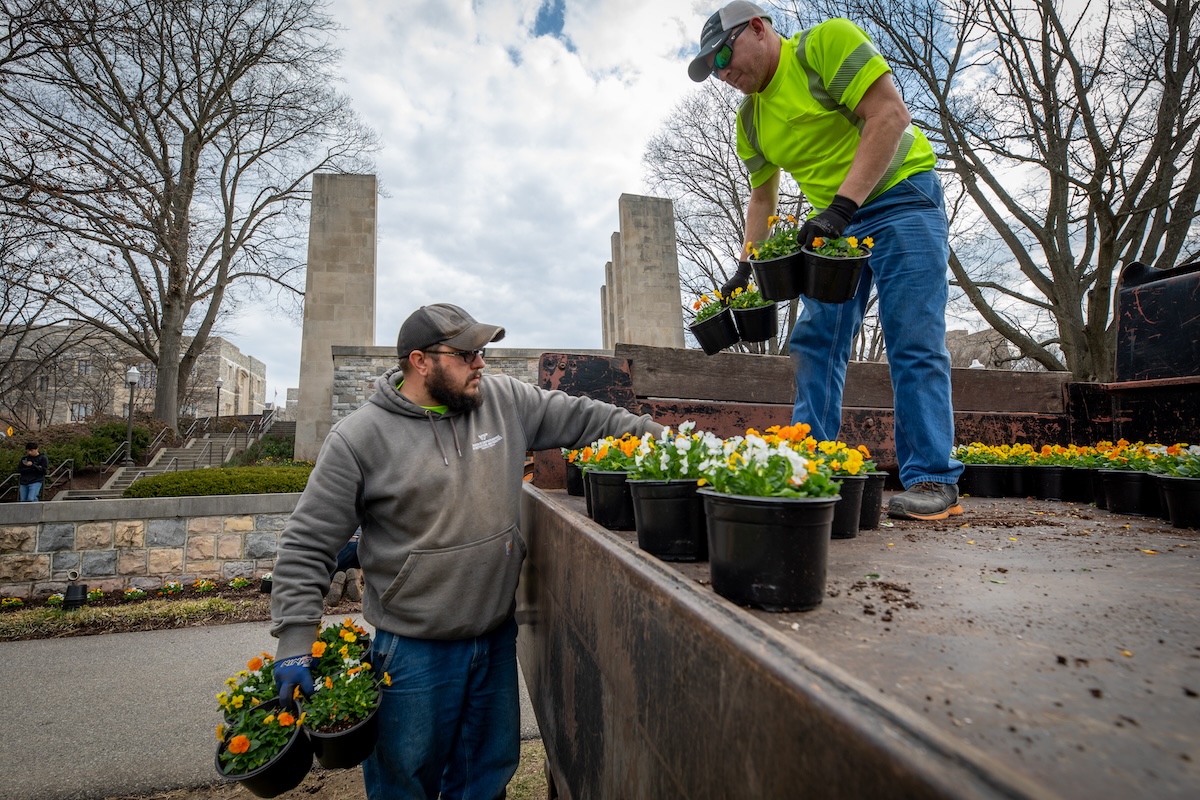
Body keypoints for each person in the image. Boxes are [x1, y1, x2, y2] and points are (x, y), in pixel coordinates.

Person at [269, 303, 664, 799]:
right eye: (467, 354)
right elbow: (307, 543)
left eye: (482, 352)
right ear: (420, 361)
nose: (481, 364)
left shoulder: (503, 401)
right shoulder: (357, 439)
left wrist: (671, 442)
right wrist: (294, 641)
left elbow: (590, 418)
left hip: (494, 641)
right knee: (404, 784)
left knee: (484, 780)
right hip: (413, 654)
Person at [688, 1, 963, 520]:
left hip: (901, 196)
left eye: (724, 53)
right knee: (816, 338)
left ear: (758, 28)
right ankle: (809, 464)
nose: (724, 72)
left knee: (913, 334)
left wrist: (841, 207)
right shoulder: (751, 120)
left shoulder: (822, 46)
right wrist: (747, 267)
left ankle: (930, 476)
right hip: (835, 228)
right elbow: (761, 200)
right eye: (713, 68)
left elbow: (889, 115)